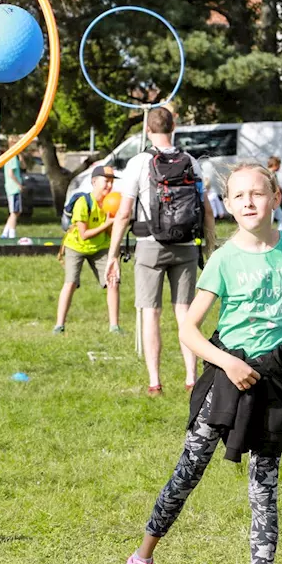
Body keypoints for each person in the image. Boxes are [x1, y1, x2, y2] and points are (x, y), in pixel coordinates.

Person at [108, 163, 282, 564]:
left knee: (265, 487)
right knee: (187, 472)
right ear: (228, 206)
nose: (248, 203)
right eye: (238, 197)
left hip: (274, 376)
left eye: (257, 194)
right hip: (226, 372)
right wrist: (227, 363)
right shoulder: (223, 259)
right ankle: (140, 559)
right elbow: (188, 329)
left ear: (276, 198)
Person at [105, 107, 218, 394]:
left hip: (149, 246)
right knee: (186, 314)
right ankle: (191, 377)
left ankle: (155, 381)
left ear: (147, 130)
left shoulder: (139, 163)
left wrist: (112, 254)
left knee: (150, 313)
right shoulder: (191, 161)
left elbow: (123, 213)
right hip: (186, 247)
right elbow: (206, 210)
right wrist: (210, 245)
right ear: (174, 126)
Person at [55, 165, 122, 335]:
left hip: (100, 246)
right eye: (106, 181)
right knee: (71, 282)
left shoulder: (112, 203)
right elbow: (84, 234)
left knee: (112, 281)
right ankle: (59, 325)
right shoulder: (83, 202)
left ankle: (114, 326)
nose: (109, 186)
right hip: (76, 246)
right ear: (94, 182)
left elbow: (111, 231)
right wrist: (107, 224)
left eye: (111, 182)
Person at [1, 152, 25, 239]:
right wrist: (18, 184)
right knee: (14, 212)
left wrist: (21, 156)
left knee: (16, 212)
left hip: (13, 188)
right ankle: (12, 235)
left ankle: (5, 233)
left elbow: (23, 166)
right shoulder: (12, 157)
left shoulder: (15, 157)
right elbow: (10, 173)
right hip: (13, 188)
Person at [265, 156, 282, 230]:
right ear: (275, 165)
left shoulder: (272, 173)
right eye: (279, 165)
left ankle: (280, 235)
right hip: (271, 200)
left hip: (275, 200)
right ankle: (266, 236)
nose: (279, 167)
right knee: (270, 219)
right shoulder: (269, 174)